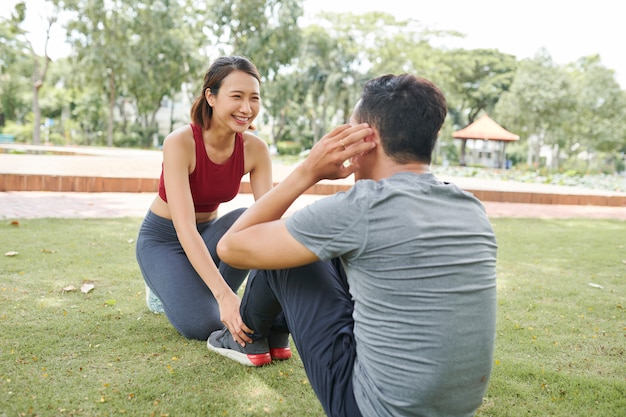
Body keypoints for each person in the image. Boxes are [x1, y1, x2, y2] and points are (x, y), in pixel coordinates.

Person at [210, 74, 498, 416]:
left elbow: (232, 246)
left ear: (365, 139)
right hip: (454, 410)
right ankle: (272, 332)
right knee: (315, 245)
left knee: (288, 258)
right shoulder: (470, 207)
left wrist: (308, 170)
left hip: (367, 408)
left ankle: (246, 338)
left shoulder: (362, 208)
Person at [135, 56, 286, 353]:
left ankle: (194, 289)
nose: (246, 108)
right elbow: (184, 228)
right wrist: (226, 296)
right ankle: (164, 289)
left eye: (254, 98)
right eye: (236, 97)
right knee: (204, 325)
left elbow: (269, 221)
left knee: (252, 219)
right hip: (166, 241)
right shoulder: (181, 142)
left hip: (210, 239)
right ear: (211, 97)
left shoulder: (255, 149)